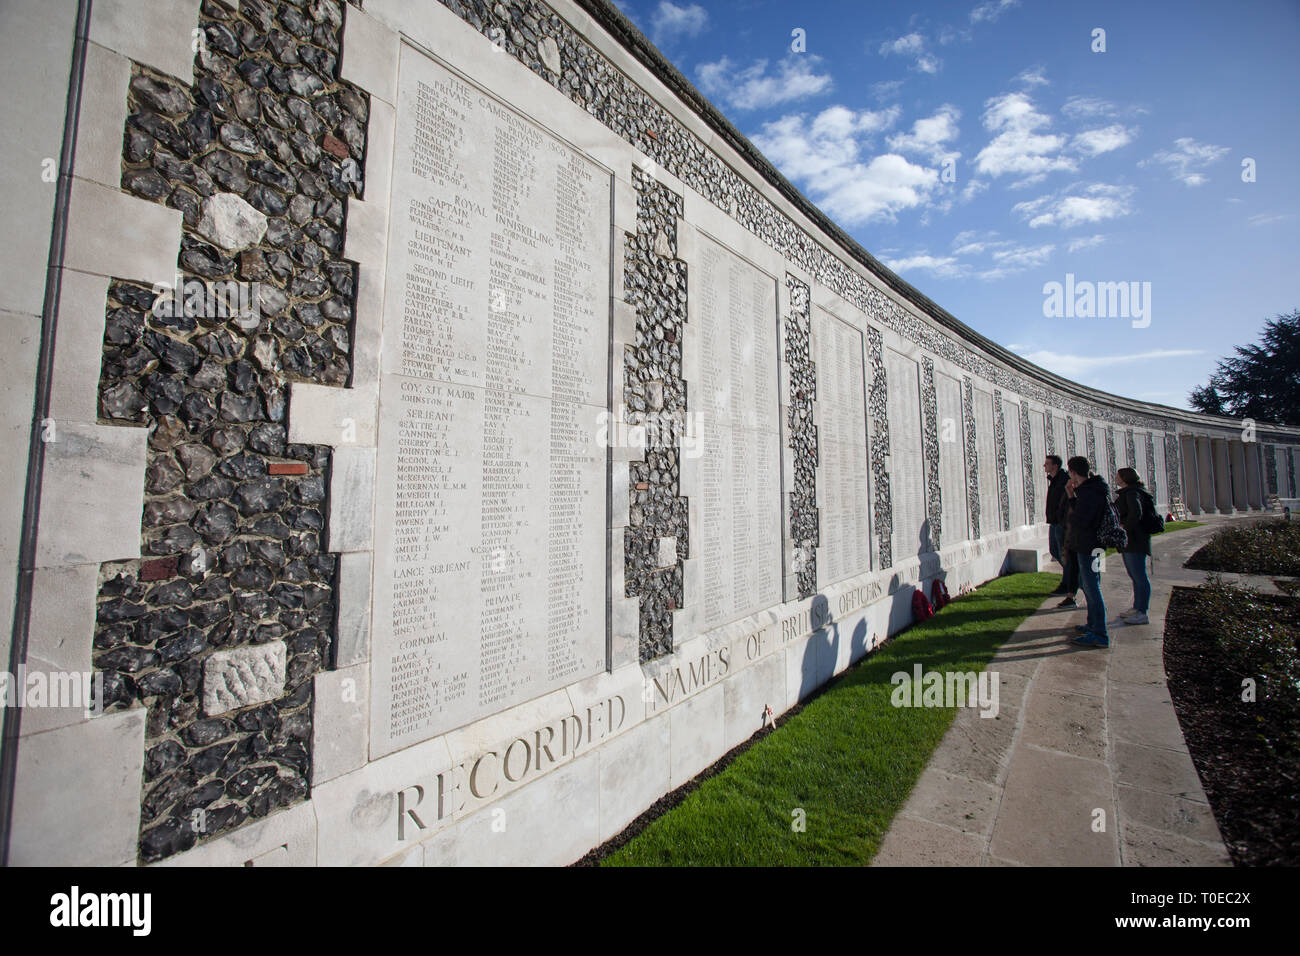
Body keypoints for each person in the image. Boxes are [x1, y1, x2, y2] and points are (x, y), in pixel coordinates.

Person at [1063, 456, 1110, 647]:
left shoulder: (1090, 492)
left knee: (1092, 588)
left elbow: (1081, 520)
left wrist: (1073, 501)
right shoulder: (1094, 489)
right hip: (1095, 545)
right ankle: (1093, 625)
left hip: (1089, 546)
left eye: (1070, 473)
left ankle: (1099, 633)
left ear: (1073, 472)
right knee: (1092, 585)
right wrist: (1072, 495)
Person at [1114, 467, 1152, 625]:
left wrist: (1124, 529)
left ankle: (1142, 612)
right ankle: (1137, 608)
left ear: (1124, 478)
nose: (1116, 477)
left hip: (1134, 540)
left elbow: (1136, 512)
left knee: (1139, 576)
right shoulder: (1132, 491)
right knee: (1135, 575)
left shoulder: (1132, 493)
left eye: (1118, 475)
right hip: (1134, 539)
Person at [1044, 455, 1070, 593]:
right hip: (1054, 521)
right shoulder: (1054, 480)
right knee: (1054, 551)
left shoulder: (1064, 480)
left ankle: (1068, 584)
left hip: (1061, 523)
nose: (1044, 466)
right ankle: (1069, 579)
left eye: (1047, 463)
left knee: (1063, 553)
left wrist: (1062, 518)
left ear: (1055, 466)